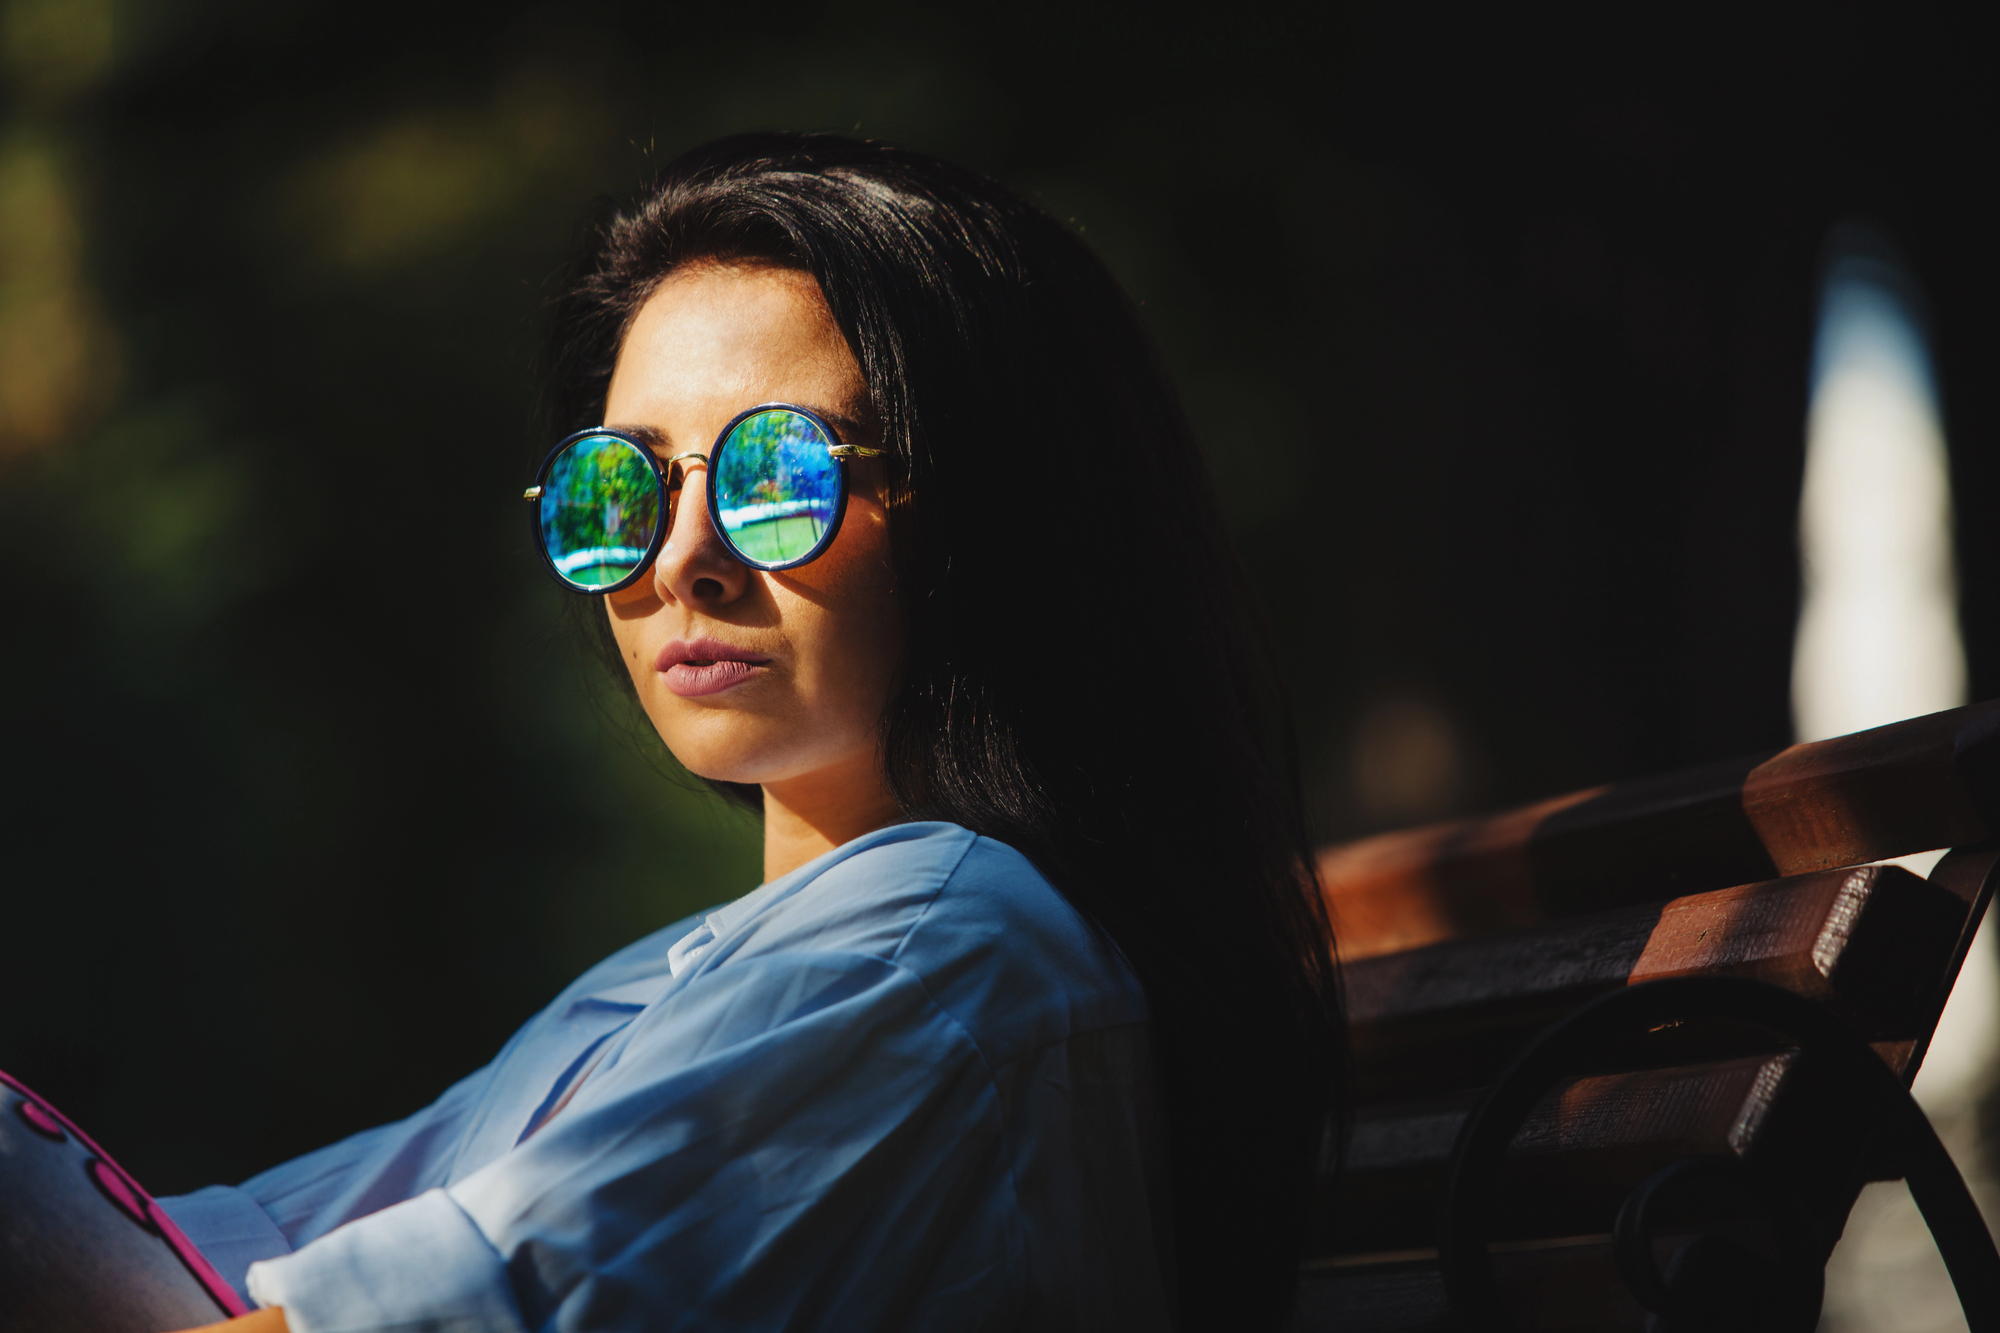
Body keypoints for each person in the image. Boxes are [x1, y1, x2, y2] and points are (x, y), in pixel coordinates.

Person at [152, 132, 1343, 1332]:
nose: (679, 561)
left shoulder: (940, 948)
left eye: (779, 473)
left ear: (1003, 507)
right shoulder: (661, 981)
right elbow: (201, 1260)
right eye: (620, 488)